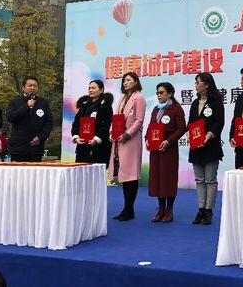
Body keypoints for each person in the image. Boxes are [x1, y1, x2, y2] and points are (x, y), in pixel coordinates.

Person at [145, 82, 187, 223]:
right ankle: (161, 208)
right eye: (157, 93)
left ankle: (169, 209)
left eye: (161, 92)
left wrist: (168, 141)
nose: (159, 95)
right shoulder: (156, 109)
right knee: (157, 178)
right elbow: (150, 126)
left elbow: (182, 128)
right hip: (155, 149)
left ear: (170, 94)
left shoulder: (176, 109)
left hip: (168, 149)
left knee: (168, 178)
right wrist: (147, 139)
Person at [188, 72, 225, 225]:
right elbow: (191, 123)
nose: (196, 85)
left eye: (198, 82)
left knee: (210, 180)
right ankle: (201, 209)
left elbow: (219, 123)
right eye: (195, 82)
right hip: (196, 147)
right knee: (199, 180)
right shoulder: (194, 103)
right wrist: (190, 134)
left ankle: (209, 211)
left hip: (210, 146)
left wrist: (208, 136)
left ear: (207, 84)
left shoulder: (216, 102)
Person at [112, 71, 146, 221]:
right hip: (119, 140)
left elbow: (139, 120)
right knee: (124, 175)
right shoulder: (122, 98)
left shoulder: (139, 98)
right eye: (124, 81)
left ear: (136, 82)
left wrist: (127, 134)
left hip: (131, 140)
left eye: (128, 80)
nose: (125, 83)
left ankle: (129, 209)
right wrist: (112, 132)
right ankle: (126, 209)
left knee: (131, 175)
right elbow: (116, 118)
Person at [5, 76, 54, 162]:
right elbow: (11, 117)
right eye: (30, 85)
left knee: (35, 170)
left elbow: (49, 122)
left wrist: (41, 137)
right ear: (23, 87)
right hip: (18, 148)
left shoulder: (43, 102)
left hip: (36, 147)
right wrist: (27, 106)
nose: (32, 88)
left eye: (35, 86)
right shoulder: (15, 101)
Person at [71, 79, 114, 164]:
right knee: (81, 170)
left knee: (97, 170)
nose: (90, 90)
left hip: (100, 148)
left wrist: (96, 139)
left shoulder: (106, 106)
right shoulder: (84, 106)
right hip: (82, 146)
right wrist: (76, 138)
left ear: (101, 90)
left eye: (93, 88)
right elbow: (76, 123)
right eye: (89, 88)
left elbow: (107, 125)